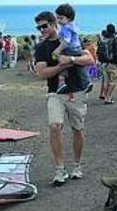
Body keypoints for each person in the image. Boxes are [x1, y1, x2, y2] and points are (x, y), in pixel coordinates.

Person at [33, 11, 94, 185]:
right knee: (54, 126)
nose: (42, 30)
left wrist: (71, 59)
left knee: (78, 129)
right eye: (39, 27)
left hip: (76, 92)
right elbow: (42, 73)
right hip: (55, 93)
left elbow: (89, 59)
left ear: (54, 24)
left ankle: (77, 165)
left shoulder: (70, 37)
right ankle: (60, 169)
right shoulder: (41, 48)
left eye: (44, 26)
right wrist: (62, 65)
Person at [52, 3, 92, 94]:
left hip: (70, 49)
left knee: (62, 62)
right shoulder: (73, 26)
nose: (58, 21)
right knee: (80, 65)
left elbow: (66, 41)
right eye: (57, 18)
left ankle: (61, 82)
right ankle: (87, 82)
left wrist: (58, 50)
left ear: (69, 18)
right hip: (77, 48)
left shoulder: (65, 28)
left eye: (61, 18)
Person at [99, 24, 117, 103]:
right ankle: (108, 97)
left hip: (104, 63)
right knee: (113, 81)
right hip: (113, 63)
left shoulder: (103, 40)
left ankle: (105, 97)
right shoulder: (115, 40)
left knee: (106, 81)